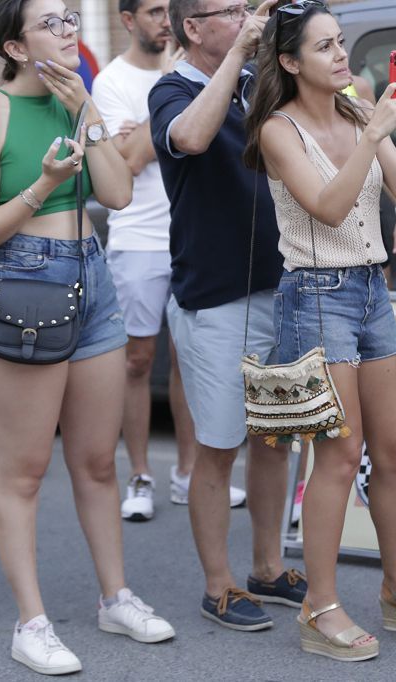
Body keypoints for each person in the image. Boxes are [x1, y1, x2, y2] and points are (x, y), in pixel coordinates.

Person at [0, 0, 173, 673]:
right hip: (23, 281)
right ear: (16, 48)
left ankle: (115, 597)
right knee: (22, 469)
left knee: (98, 461)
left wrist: (87, 113)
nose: (69, 31)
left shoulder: (82, 100)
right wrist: (42, 187)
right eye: (52, 23)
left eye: (72, 19)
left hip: (93, 279)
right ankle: (32, 623)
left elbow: (117, 194)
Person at [244, 0, 396, 661]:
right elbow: (330, 207)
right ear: (289, 62)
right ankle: (319, 606)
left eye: (341, 43)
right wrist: (372, 136)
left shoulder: (362, 108)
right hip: (313, 294)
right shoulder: (279, 130)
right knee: (336, 456)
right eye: (325, 46)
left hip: (370, 289)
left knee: (393, 451)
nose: (341, 56)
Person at [149, 0, 305, 632]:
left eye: (248, 8)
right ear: (193, 26)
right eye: (231, 10)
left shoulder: (258, 83)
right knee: (218, 447)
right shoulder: (173, 89)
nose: (246, 17)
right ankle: (219, 585)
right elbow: (189, 138)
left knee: (275, 437)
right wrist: (243, 52)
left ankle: (268, 567)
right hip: (216, 298)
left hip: (286, 286)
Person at [92, 0, 245, 523]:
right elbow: (128, 160)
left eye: (167, 9)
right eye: (153, 10)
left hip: (189, 235)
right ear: (128, 19)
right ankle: (139, 473)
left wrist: (149, 131)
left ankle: (186, 471)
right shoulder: (112, 81)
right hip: (137, 235)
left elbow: (150, 143)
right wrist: (161, 130)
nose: (163, 19)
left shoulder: (204, 73)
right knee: (136, 361)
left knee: (188, 361)